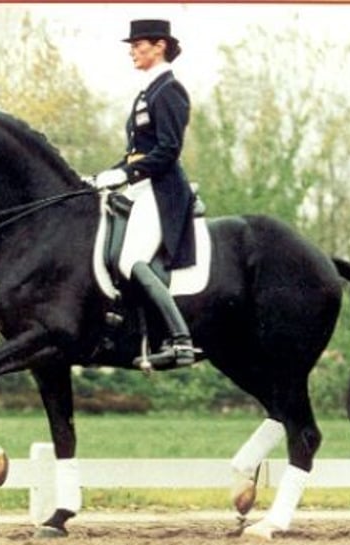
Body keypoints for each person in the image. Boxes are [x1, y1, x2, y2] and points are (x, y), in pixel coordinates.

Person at [94, 19, 196, 369]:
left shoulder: (169, 90)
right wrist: (104, 175)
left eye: (138, 45)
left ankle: (180, 341)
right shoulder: (148, 91)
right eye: (133, 46)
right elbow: (138, 152)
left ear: (160, 46)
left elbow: (168, 150)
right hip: (141, 187)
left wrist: (125, 173)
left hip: (163, 191)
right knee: (111, 255)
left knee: (130, 261)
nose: (132, 52)